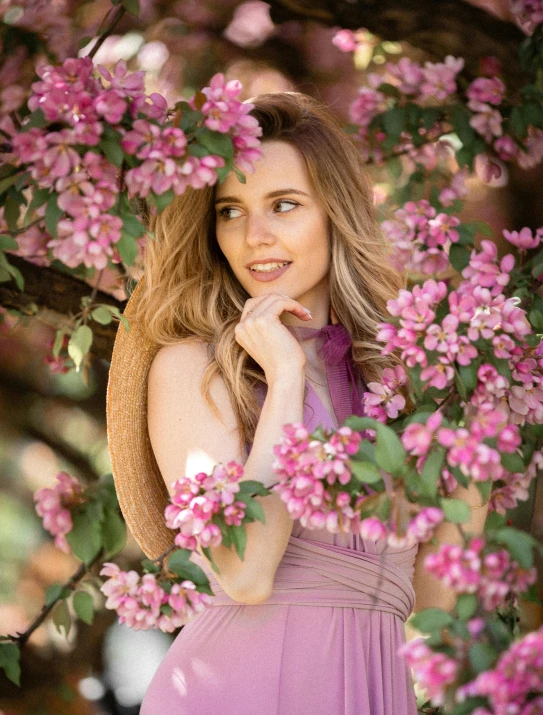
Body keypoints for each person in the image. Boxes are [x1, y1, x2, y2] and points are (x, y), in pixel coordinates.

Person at [106, 91, 485, 714]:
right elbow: (245, 573)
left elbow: (433, 604)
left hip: (375, 693)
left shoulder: (400, 379)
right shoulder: (192, 368)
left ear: (336, 214)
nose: (255, 236)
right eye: (230, 210)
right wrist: (284, 378)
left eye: (284, 205)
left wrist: (471, 453)